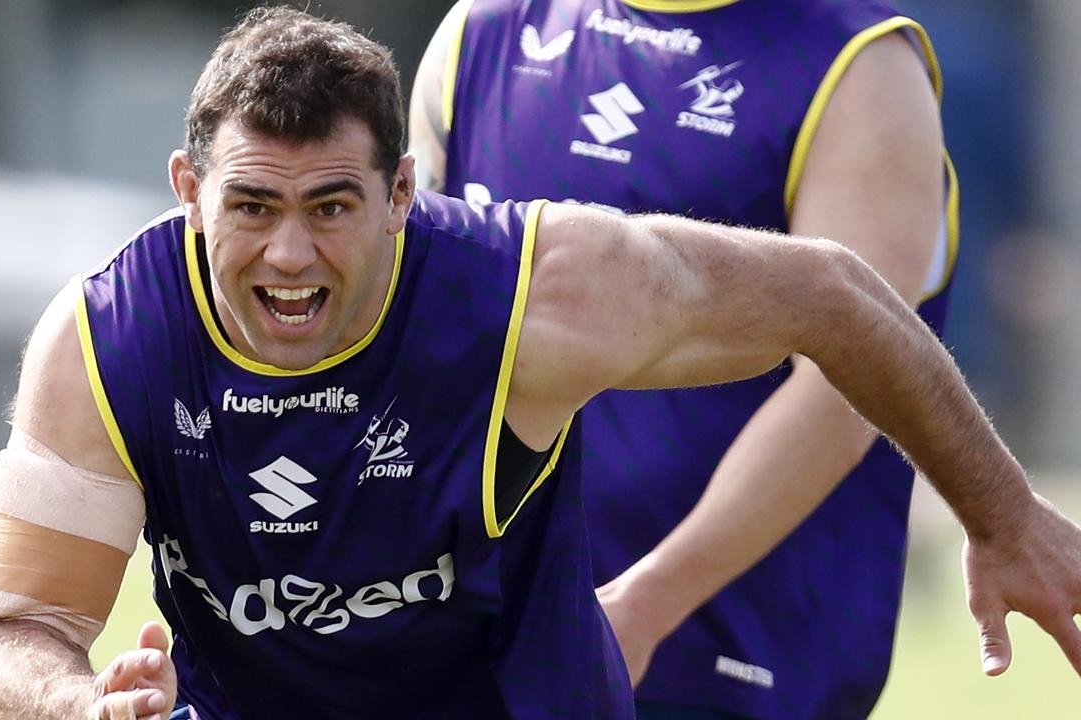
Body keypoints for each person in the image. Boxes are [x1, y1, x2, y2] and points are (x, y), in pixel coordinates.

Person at [0, 7, 1081, 720]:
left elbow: (834, 293)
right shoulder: (107, 339)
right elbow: (13, 626)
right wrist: (78, 706)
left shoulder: (527, 293)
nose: (288, 254)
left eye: (331, 206)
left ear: (403, 196)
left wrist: (1000, 517)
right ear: (186, 191)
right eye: (250, 206)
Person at [408, 0, 965, 717]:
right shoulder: (483, 31)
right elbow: (415, 324)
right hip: (497, 639)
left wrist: (643, 604)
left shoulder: (860, 63)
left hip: (728, 660)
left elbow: (847, 390)